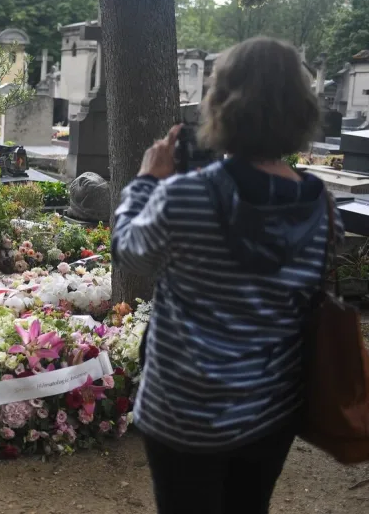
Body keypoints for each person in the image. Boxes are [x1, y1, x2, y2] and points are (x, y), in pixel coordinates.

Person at [111, 36, 344, 514]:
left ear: (221, 104)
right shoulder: (321, 205)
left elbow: (129, 253)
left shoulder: (184, 195)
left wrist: (146, 181)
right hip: (271, 409)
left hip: (182, 411)